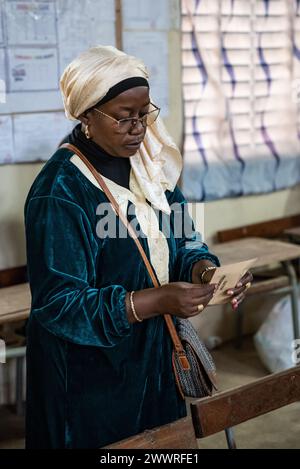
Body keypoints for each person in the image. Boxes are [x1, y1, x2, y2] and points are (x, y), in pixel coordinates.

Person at [24, 45, 252, 449]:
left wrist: (206, 273)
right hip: (89, 384)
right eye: (123, 117)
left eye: (144, 113)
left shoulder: (153, 169)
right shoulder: (61, 191)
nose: (138, 128)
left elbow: (184, 242)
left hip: (155, 364)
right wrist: (154, 300)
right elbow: (59, 305)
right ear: (87, 117)